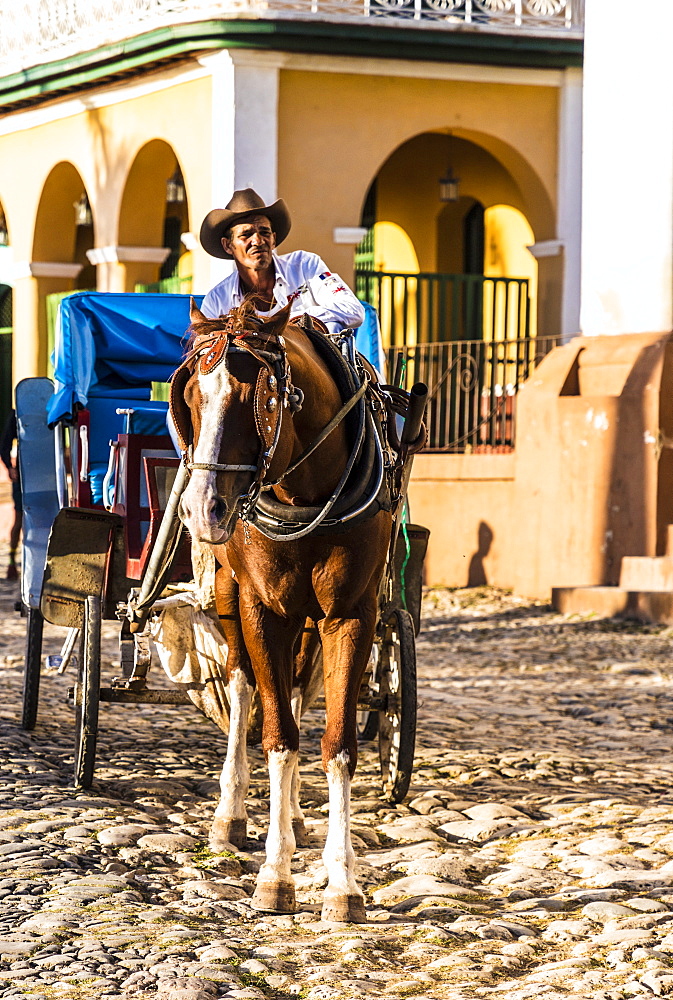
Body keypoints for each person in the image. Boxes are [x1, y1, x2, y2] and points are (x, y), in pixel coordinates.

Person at [199, 188, 365, 335]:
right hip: (256, 370)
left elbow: (353, 310)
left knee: (332, 326)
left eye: (264, 232)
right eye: (246, 234)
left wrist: (297, 320)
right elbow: (206, 348)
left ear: (273, 239)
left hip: (313, 366)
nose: (257, 241)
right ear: (228, 245)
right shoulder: (217, 300)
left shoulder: (305, 266)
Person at [0, 410, 22, 581]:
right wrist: (10, 467)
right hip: (24, 472)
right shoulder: (17, 414)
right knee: (19, 518)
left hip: (43, 472)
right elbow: (4, 445)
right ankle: (12, 560)